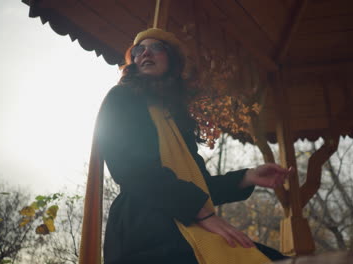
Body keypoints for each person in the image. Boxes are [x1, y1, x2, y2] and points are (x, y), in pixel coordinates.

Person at [94, 28, 292, 264]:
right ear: (133, 61)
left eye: (156, 47)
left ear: (172, 61)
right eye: (138, 50)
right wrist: (203, 213)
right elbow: (131, 169)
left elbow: (199, 185)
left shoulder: (176, 118)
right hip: (143, 228)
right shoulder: (120, 98)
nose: (145, 52)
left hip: (186, 221)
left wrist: (248, 177)